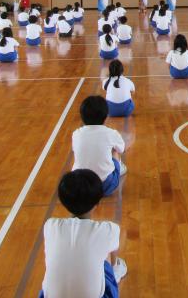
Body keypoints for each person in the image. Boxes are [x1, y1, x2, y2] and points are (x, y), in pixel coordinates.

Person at [40, 169, 127, 298]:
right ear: (97, 203)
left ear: (63, 201)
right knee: (106, 256)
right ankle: (117, 271)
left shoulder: (50, 226)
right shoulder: (107, 229)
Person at [73, 96, 127, 198]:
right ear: (105, 116)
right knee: (115, 150)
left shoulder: (76, 134)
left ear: (82, 116)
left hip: (80, 186)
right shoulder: (111, 133)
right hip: (105, 186)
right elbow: (122, 149)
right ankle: (119, 168)